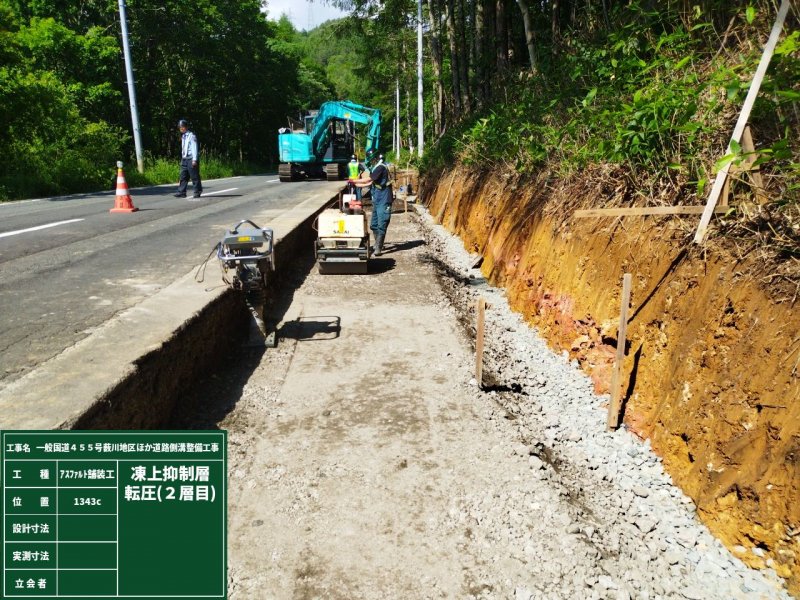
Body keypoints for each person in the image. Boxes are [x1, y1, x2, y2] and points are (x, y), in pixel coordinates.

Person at [354, 153, 392, 256]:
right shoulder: (376, 168)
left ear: (375, 159)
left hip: (384, 199)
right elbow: (371, 182)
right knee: (373, 225)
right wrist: (357, 184)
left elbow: (369, 179)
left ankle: (379, 247)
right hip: (377, 199)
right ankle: (377, 244)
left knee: (381, 224)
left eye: (371, 160)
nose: (369, 162)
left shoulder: (380, 167)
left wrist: (354, 180)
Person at [174, 119, 202, 198]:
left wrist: (194, 160)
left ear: (186, 127)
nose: (181, 128)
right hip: (185, 159)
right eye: (180, 127)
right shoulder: (183, 136)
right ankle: (182, 192)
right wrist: (183, 158)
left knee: (194, 176)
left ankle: (197, 191)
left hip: (191, 158)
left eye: (182, 127)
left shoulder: (191, 136)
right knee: (183, 176)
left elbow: (194, 148)